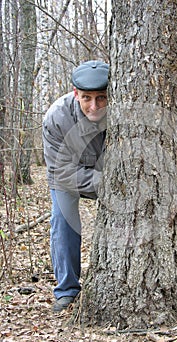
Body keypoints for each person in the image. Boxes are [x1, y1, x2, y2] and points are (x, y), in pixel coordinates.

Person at [42, 60, 109, 312]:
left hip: (107, 170)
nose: (94, 106)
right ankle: (67, 289)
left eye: (101, 97)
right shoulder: (57, 117)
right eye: (86, 98)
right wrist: (105, 184)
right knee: (63, 220)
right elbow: (61, 172)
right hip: (67, 176)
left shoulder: (125, 111)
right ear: (75, 94)